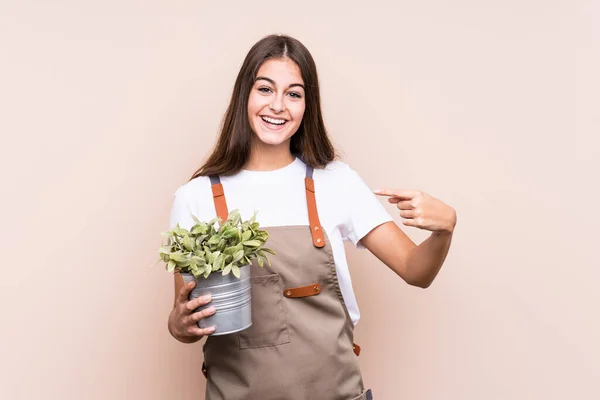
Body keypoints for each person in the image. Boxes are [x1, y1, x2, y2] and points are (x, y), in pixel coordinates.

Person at [167, 34, 456, 400]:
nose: (278, 105)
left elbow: (416, 271)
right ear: (245, 96)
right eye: (265, 89)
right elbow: (184, 322)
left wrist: (444, 230)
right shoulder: (195, 198)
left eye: (294, 94)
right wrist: (179, 323)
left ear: (307, 106)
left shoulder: (337, 182)